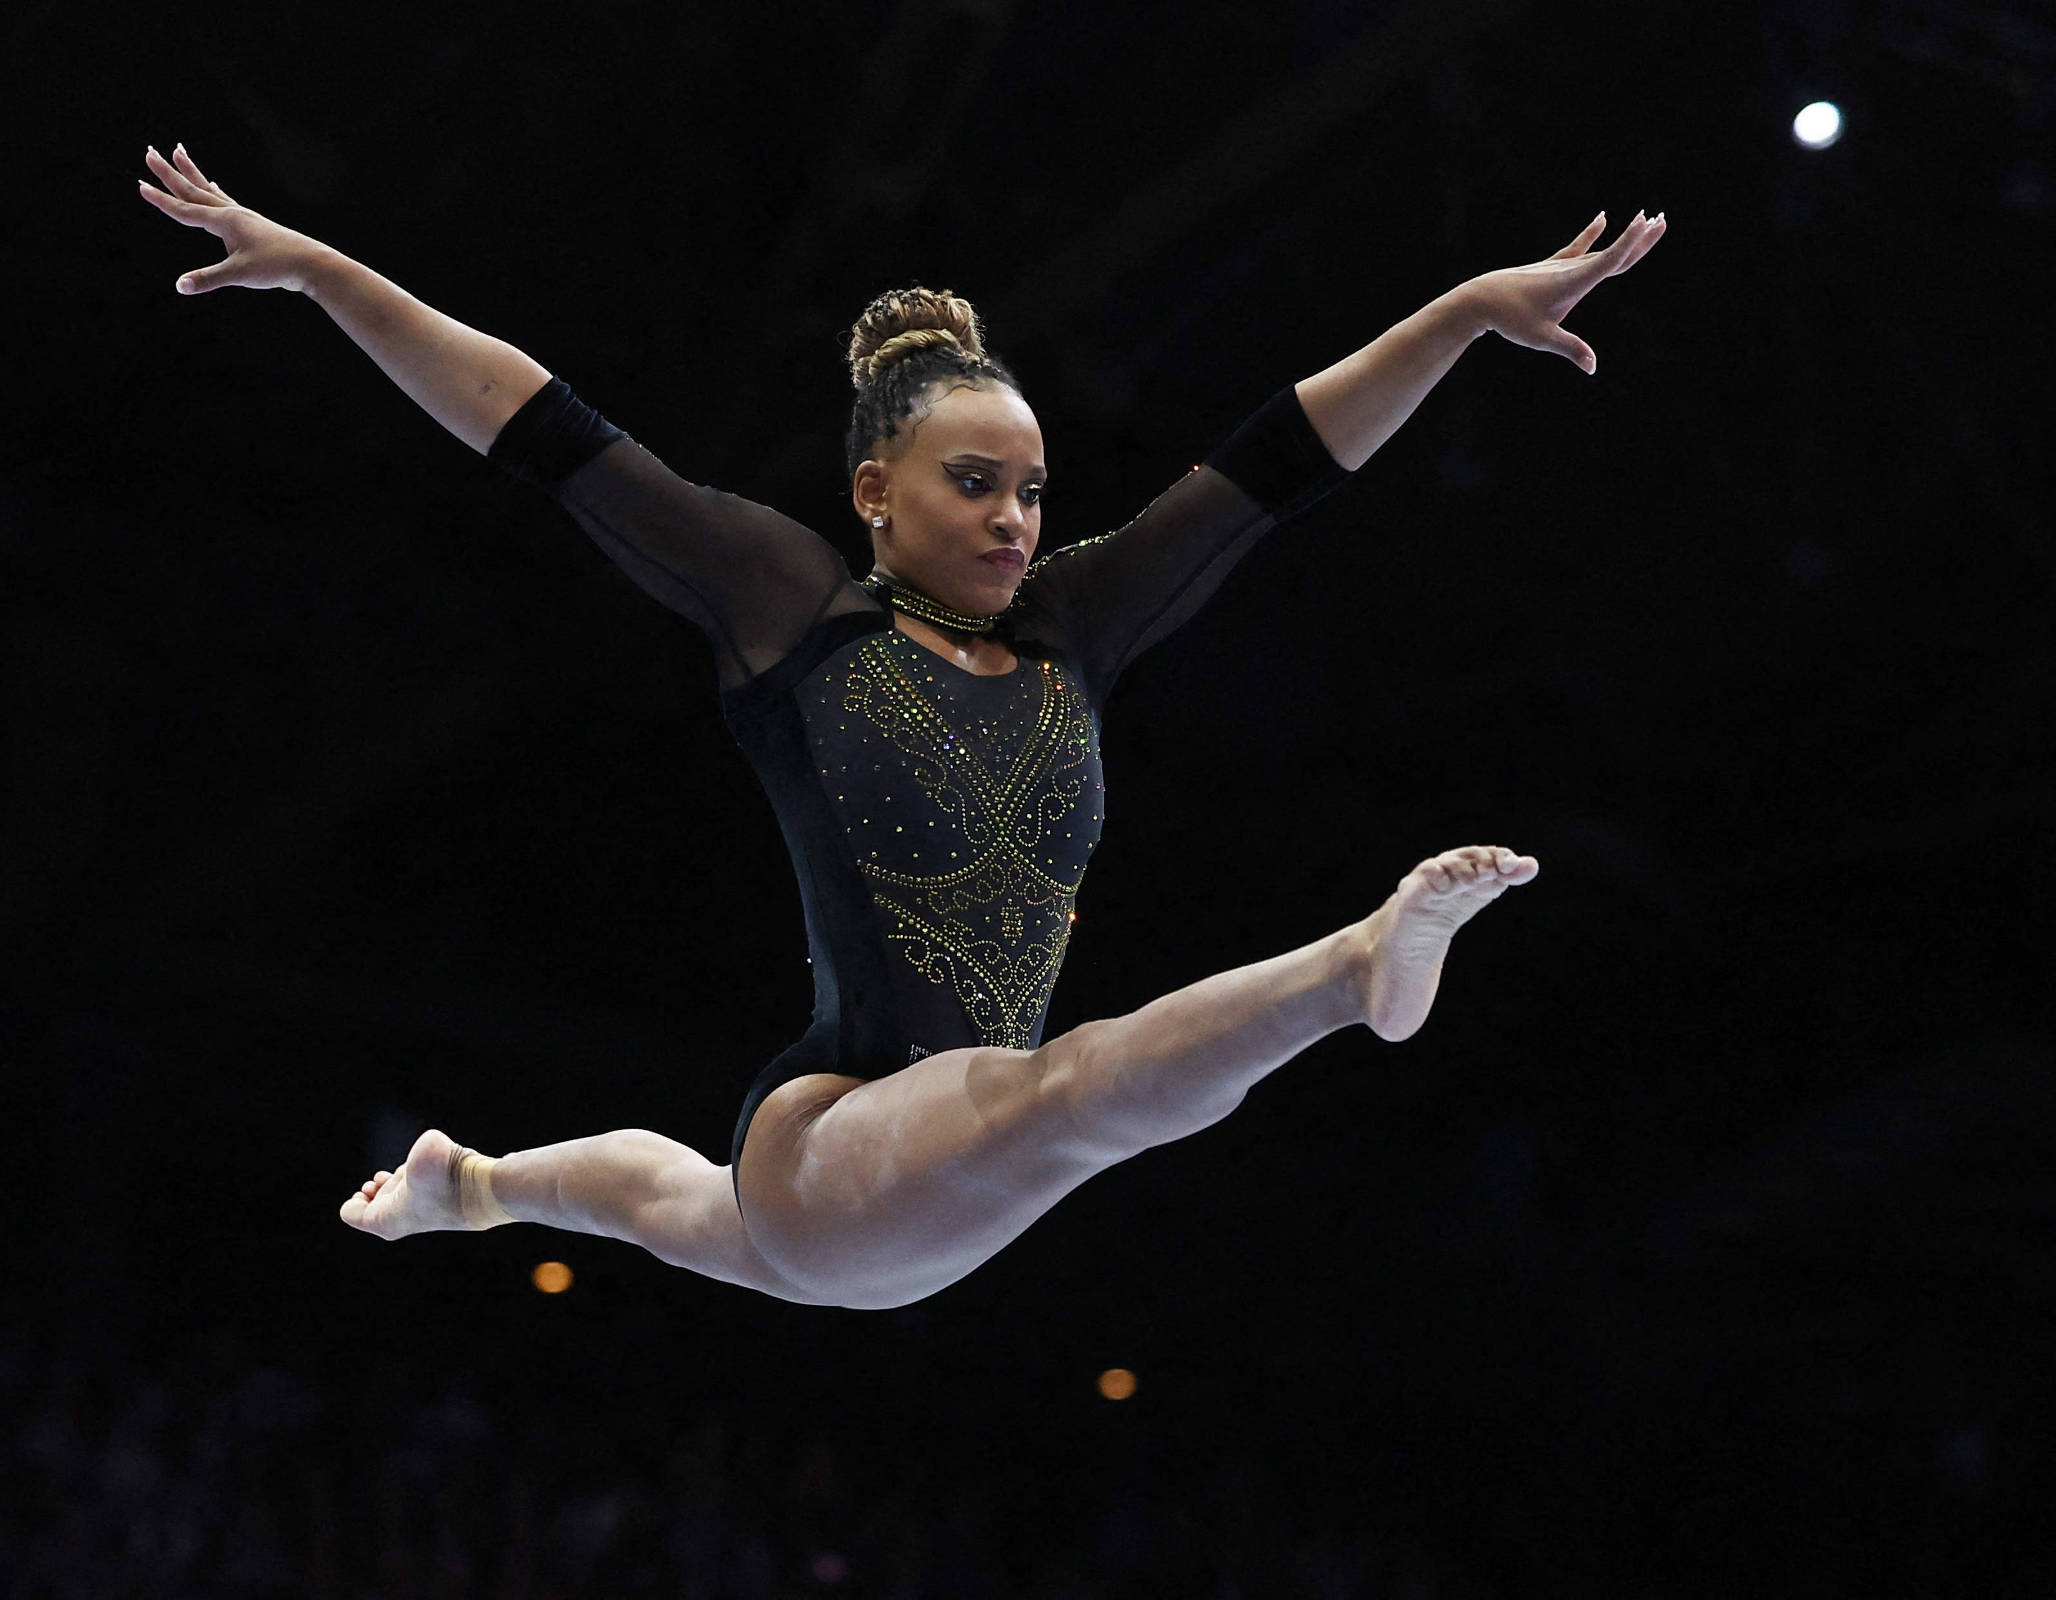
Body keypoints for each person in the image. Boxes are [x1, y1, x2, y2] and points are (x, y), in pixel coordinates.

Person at [139, 143, 1665, 1310]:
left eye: (1032, 488)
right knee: (1070, 1095)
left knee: (670, 1206)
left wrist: (1464, 314)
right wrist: (329, 274)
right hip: (835, 1139)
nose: (1015, 519)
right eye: (973, 484)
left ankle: (466, 1188)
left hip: (916, 1200)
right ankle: (1350, 973)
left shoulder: (1077, 625)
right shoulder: (792, 610)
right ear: (875, 490)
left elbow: (1279, 460)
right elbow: (538, 428)